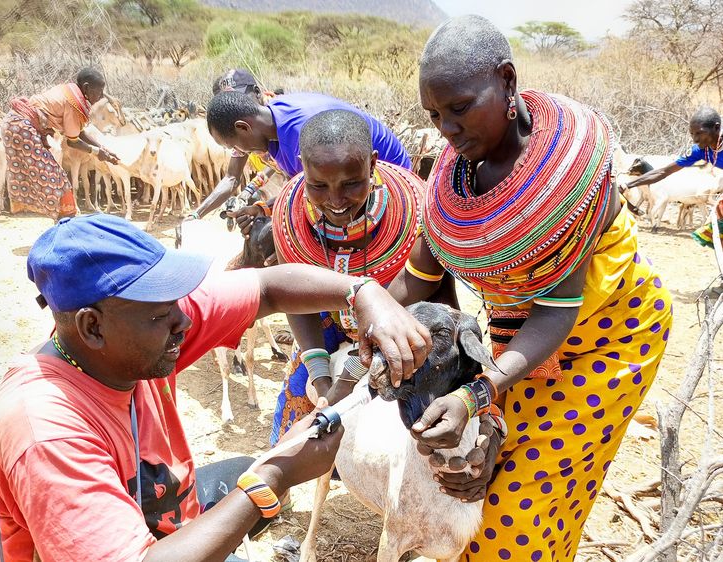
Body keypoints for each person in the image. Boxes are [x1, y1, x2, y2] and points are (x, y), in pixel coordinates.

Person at [384, 16, 673, 562]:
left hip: (607, 337)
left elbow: (555, 314)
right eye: (434, 115)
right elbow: (418, 279)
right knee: (480, 481)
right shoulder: (455, 182)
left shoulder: (565, 179)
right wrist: (363, 309)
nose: (447, 129)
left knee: (525, 505)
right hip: (517, 343)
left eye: (460, 107)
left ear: (508, 80)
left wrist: (476, 395)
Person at [0, 213, 431, 562]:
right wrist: (273, 476)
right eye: (162, 314)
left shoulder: (134, 337)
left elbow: (267, 288)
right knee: (258, 480)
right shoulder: (46, 431)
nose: (183, 320)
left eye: (176, 302)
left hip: (157, 521)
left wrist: (364, 293)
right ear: (92, 327)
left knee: (245, 476)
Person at [269, 109, 427, 444]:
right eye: (318, 185)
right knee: (297, 412)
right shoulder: (288, 217)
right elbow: (293, 298)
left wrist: (349, 376)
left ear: (372, 164)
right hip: (323, 324)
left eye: (351, 183)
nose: (336, 200)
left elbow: (422, 293)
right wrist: (321, 378)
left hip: (401, 326)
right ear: (301, 166)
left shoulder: (414, 211)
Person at [202, 90, 412, 224]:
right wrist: (262, 209)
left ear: (243, 127)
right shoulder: (276, 118)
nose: (239, 152)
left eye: (234, 145)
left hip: (391, 185)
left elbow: (322, 196)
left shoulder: (302, 135)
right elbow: (302, 191)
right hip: (353, 185)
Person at [1, 67, 119, 220]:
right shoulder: (73, 104)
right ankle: (65, 218)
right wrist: (97, 152)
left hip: (14, 125)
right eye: (99, 91)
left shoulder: (69, 92)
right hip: (21, 128)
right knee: (55, 178)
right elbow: (73, 141)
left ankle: (63, 217)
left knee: (55, 177)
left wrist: (103, 149)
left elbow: (79, 132)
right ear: (86, 87)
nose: (101, 95)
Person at [625, 106, 723, 247]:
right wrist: (629, 185)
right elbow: (663, 172)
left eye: (699, 133)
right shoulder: (700, 151)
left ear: (716, 128)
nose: (695, 139)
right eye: (692, 134)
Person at [193, 69, 282, 219]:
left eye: (239, 98)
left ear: (257, 92)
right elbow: (232, 178)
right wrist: (196, 214)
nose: (237, 107)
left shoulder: (279, 118)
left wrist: (252, 190)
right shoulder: (242, 130)